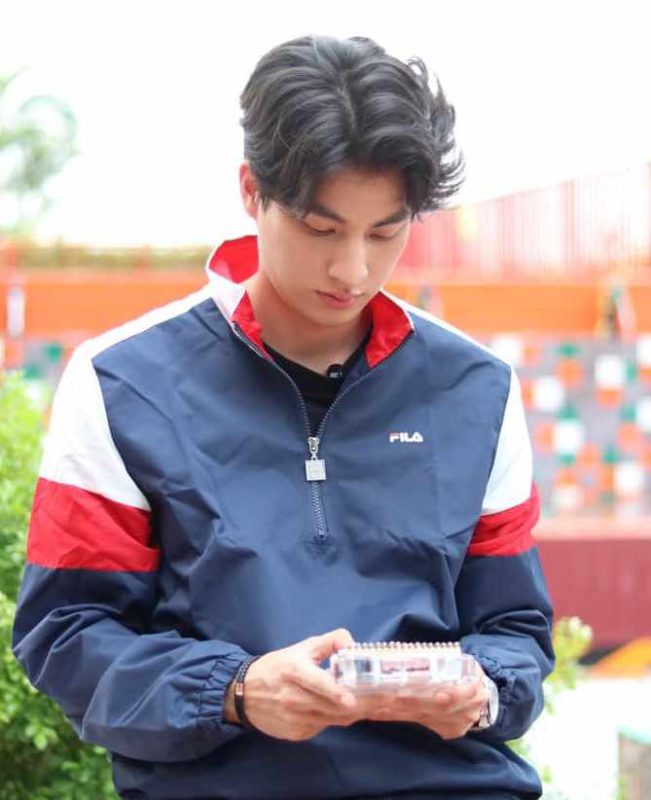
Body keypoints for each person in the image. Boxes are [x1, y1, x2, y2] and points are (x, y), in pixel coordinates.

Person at [12, 34, 554, 800]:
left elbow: (515, 635)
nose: (352, 269)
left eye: (385, 231)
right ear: (251, 190)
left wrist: (481, 687)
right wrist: (236, 690)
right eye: (320, 229)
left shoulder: (475, 390)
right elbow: (67, 637)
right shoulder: (120, 383)